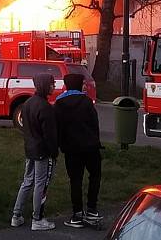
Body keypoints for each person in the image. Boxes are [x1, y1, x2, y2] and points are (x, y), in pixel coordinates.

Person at [54, 72, 102, 228]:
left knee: (75, 180)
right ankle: (92, 209)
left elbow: (57, 127)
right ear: (79, 84)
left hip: (71, 149)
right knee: (94, 176)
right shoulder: (87, 102)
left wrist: (61, 144)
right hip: (90, 147)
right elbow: (94, 124)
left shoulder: (59, 104)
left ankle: (77, 214)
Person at [11, 72, 58, 231]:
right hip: (42, 151)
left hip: (29, 149)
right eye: (51, 84)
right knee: (40, 183)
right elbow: (50, 135)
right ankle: (37, 218)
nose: (54, 86)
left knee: (27, 181)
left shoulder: (28, 103)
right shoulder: (45, 107)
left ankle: (16, 215)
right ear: (45, 85)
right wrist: (54, 152)